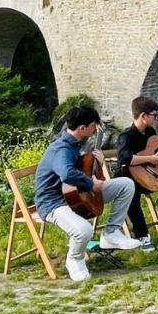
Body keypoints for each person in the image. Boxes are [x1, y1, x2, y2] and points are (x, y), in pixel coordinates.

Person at [35, 105, 141, 281]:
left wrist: (97, 163)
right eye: (93, 126)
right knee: (84, 231)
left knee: (125, 185)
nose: (95, 129)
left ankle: (111, 233)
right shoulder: (61, 148)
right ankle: (74, 259)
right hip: (53, 202)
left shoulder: (74, 144)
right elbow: (67, 173)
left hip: (75, 195)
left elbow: (79, 171)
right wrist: (91, 184)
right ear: (82, 128)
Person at [115, 95, 158, 250]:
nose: (156, 118)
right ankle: (142, 236)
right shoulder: (126, 136)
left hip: (151, 176)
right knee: (130, 193)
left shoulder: (150, 131)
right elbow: (123, 159)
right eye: (154, 115)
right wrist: (150, 158)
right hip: (130, 178)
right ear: (143, 116)